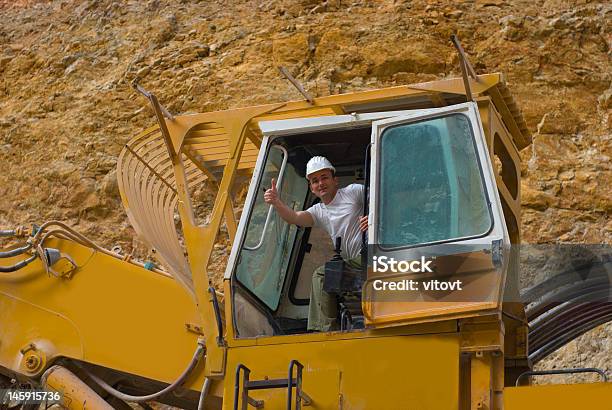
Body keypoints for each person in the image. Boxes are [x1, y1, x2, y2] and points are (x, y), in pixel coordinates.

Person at [264, 156, 368, 331]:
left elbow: (383, 199)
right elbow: (294, 218)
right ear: (311, 188)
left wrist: (372, 218)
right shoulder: (319, 211)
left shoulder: (354, 192)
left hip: (371, 256)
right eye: (315, 181)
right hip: (354, 264)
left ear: (335, 180)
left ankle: (323, 331)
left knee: (322, 275)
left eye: (324, 177)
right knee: (330, 275)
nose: (320, 183)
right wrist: (276, 202)